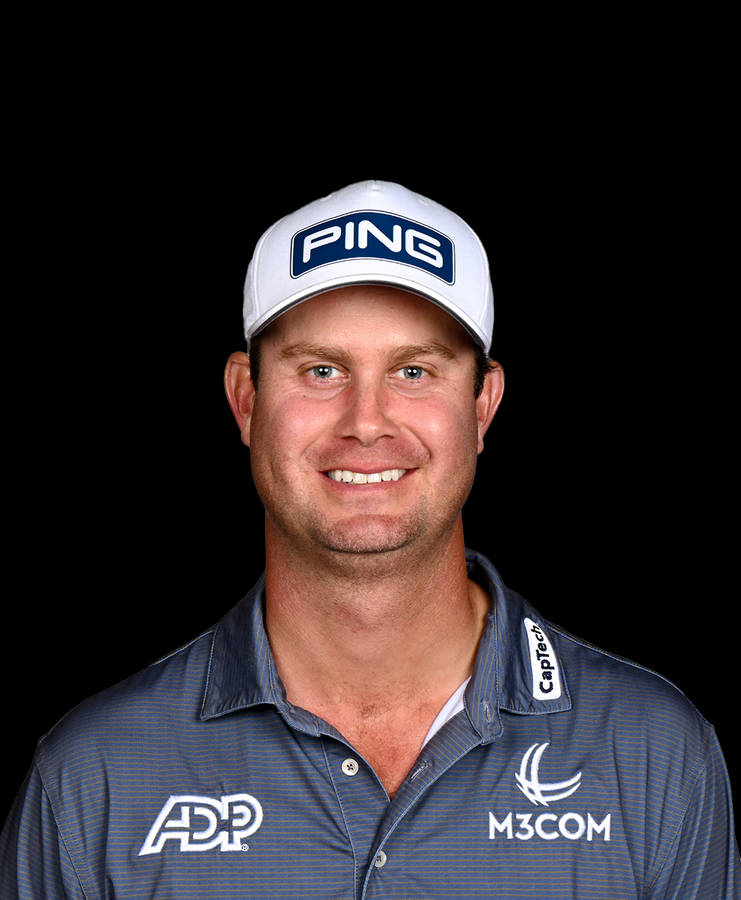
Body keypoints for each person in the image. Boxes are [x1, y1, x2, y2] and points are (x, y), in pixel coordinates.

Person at [1, 180, 738, 898]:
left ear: (482, 405)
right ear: (246, 399)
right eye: (321, 370)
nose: (366, 421)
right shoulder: (96, 776)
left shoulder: (652, 754)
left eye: (413, 371)